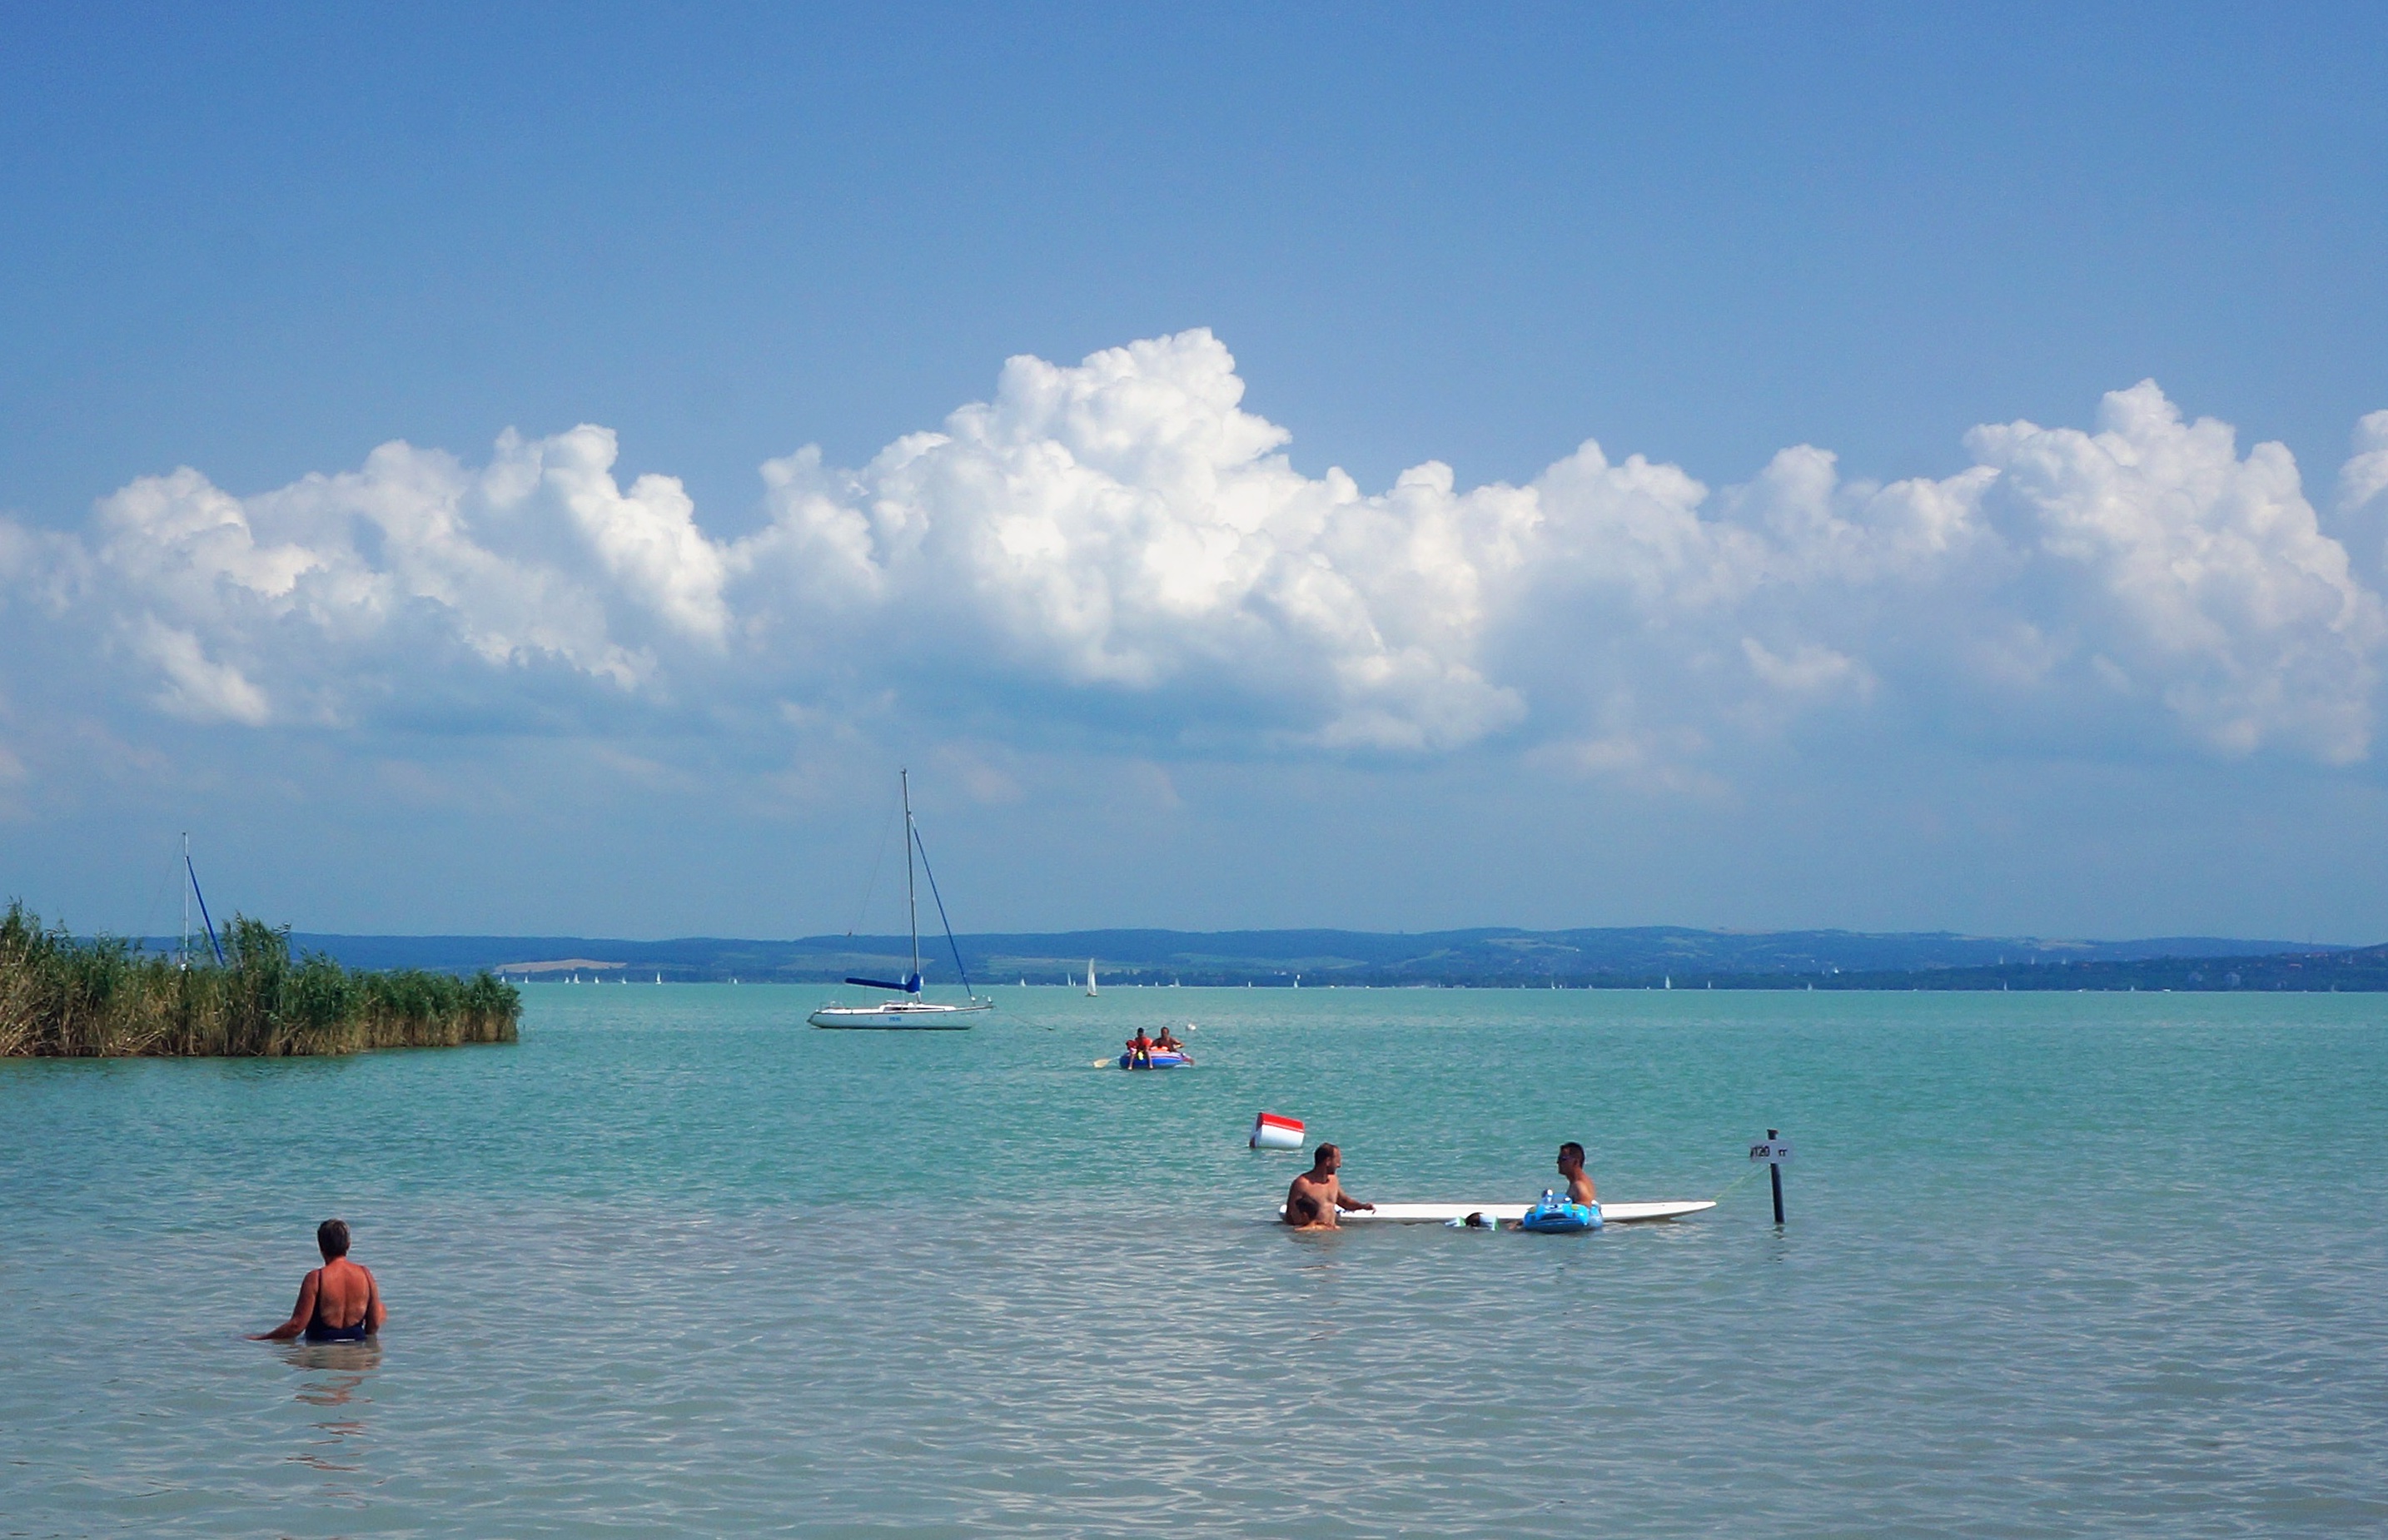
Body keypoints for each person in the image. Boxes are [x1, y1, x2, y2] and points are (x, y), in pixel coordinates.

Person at [251, 1219, 385, 1343]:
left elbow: (296, 1326)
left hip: (321, 1354)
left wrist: (262, 1338)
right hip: (357, 1355)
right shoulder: (365, 1274)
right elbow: (374, 1325)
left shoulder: (316, 1278)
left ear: (321, 1246)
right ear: (348, 1245)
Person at [1283, 1143, 1375, 1230]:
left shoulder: (1333, 1180)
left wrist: (1362, 1206)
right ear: (1328, 1161)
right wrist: (1313, 1228)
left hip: (1331, 1233)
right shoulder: (1302, 1183)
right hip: (1312, 1236)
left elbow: (1344, 1201)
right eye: (1337, 1161)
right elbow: (1291, 1216)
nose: (1339, 1165)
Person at [1556, 1142, 1598, 1207]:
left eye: (1563, 1159)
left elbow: (1585, 1210)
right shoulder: (1579, 1182)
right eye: (1559, 1159)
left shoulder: (1579, 1186)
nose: (1558, 1162)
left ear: (1576, 1162)